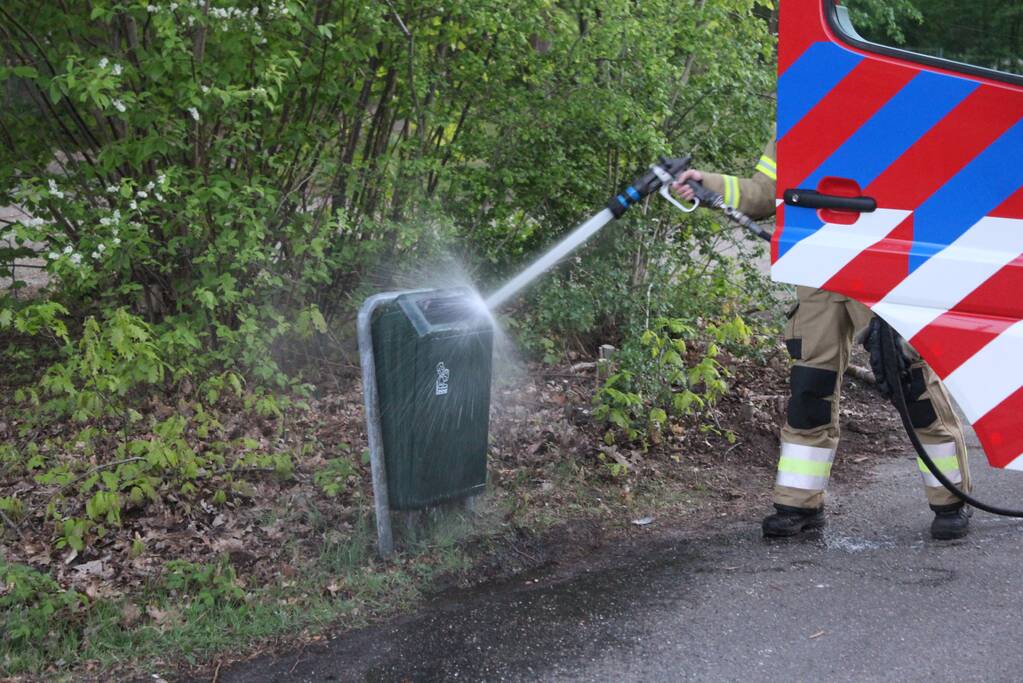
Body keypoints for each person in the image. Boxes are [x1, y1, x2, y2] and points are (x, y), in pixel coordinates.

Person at [672, 131, 972, 541]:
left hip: (880, 267)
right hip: (815, 273)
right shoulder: (798, 124)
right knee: (809, 390)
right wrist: (703, 182)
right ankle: (798, 504)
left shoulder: (895, 115)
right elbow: (763, 194)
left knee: (911, 384)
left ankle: (950, 499)